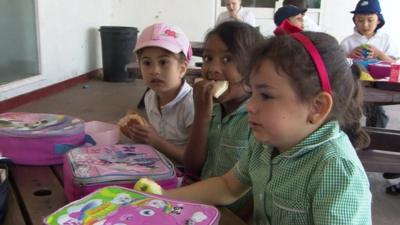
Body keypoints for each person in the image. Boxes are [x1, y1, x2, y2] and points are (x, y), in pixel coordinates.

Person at [165, 31, 372, 224]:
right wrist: (162, 196)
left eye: (266, 96)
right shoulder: (265, 143)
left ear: (317, 107)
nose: (251, 106)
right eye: (252, 92)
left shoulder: (337, 170)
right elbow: (228, 186)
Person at [183, 21, 264, 216]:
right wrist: (202, 114)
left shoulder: (258, 118)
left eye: (227, 59)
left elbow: (258, 187)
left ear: (253, 69)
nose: (213, 69)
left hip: (233, 215)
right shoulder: (212, 109)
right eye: (208, 58)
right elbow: (193, 165)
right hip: (204, 206)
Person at [121, 22, 194, 164]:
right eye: (147, 63)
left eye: (163, 62)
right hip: (159, 163)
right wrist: (142, 136)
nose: (155, 71)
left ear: (182, 68)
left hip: (184, 173)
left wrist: (156, 141)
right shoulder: (150, 97)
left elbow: (195, 160)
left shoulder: (191, 104)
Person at [341, 0, 399, 128]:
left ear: (378, 20)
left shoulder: (386, 39)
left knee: (378, 114)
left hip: (380, 86)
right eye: (360, 20)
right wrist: (349, 55)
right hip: (356, 86)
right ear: (354, 21)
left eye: (370, 20)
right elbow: (339, 64)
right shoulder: (348, 42)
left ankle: (375, 138)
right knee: (351, 113)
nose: (365, 25)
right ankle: (353, 138)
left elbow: (394, 65)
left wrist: (379, 54)